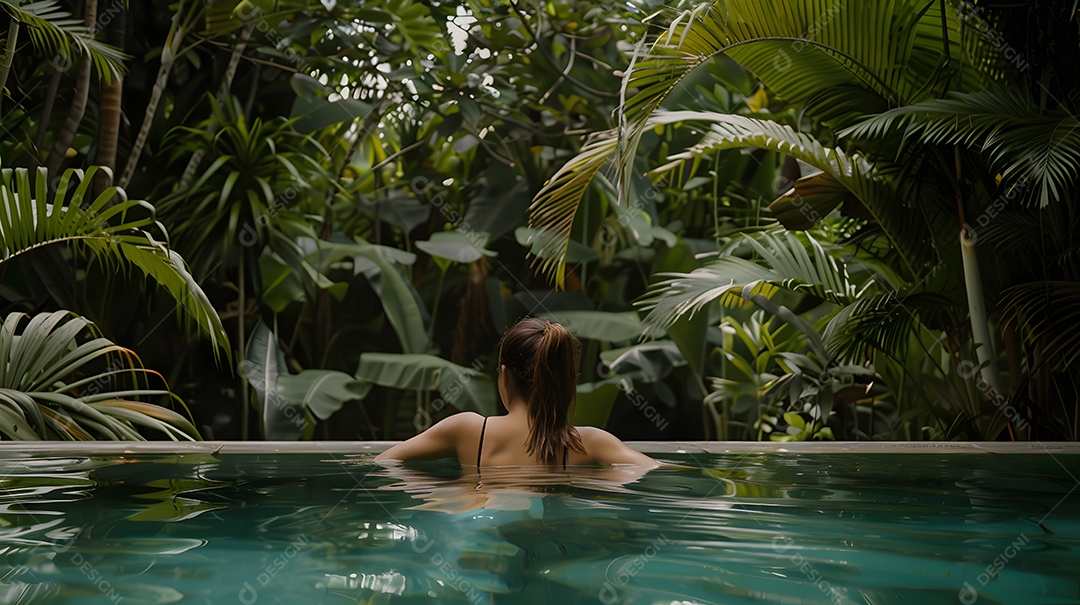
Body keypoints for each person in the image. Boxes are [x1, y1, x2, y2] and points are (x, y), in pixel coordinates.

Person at [375, 317, 656, 468]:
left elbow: (383, 464)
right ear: (566, 381)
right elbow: (652, 471)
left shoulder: (467, 430)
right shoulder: (590, 443)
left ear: (505, 376)